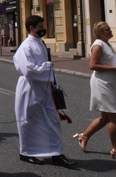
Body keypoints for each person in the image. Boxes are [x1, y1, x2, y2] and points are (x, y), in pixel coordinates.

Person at [13, 14, 76, 167]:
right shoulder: (26, 46)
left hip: (45, 87)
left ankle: (56, 153)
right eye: (40, 27)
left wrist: (52, 81)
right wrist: (47, 67)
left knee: (52, 120)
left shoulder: (40, 42)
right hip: (30, 87)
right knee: (29, 120)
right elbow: (28, 70)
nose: (43, 29)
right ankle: (27, 152)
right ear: (31, 28)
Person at [72, 22, 116, 162]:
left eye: (110, 29)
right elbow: (92, 65)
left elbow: (109, 62)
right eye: (107, 30)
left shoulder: (106, 44)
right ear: (100, 33)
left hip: (109, 82)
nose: (110, 31)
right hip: (102, 83)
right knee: (114, 116)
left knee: (106, 117)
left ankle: (84, 136)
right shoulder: (98, 44)